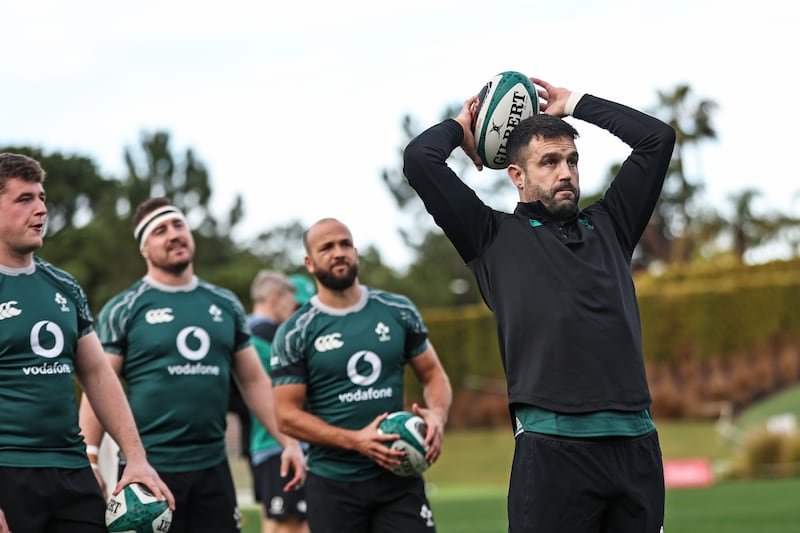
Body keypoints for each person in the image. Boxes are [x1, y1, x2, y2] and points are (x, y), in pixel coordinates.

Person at [403, 78, 676, 532]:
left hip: (637, 445)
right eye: (548, 162)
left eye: (571, 160)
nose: (565, 172)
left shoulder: (611, 225)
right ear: (517, 175)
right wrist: (461, 126)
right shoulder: (489, 236)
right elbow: (419, 160)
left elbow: (656, 139)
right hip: (554, 449)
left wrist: (576, 104)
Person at [78, 197, 306, 533]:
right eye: (159, 230)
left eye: (178, 225)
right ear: (144, 248)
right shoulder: (124, 308)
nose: (173, 234)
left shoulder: (224, 303)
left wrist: (288, 442)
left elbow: (254, 382)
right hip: (148, 470)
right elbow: (98, 383)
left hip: (213, 467)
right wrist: (91, 456)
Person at [0, 153, 173, 532]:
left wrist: (136, 457)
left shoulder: (64, 285)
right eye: (24, 199)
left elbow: (97, 374)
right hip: (9, 471)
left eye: (42, 197)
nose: (41, 209)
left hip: (71, 470)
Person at [270, 218, 453, 533]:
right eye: (327, 247)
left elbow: (433, 373)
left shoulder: (398, 310)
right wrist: (356, 441)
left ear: (355, 251)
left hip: (399, 477)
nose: (338, 252)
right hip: (333, 484)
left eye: (345, 244)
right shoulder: (295, 332)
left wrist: (436, 416)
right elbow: (286, 416)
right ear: (309, 263)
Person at [247, 271, 314, 533]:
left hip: (264, 442)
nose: (296, 313)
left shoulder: (241, 330)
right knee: (288, 524)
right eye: (293, 304)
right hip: (281, 443)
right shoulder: (269, 335)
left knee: (279, 521)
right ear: (275, 298)